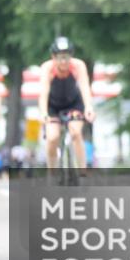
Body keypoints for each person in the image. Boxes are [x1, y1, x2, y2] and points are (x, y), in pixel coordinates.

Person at [40, 37, 95, 172]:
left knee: (76, 132)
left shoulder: (78, 66)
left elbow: (84, 87)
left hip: (73, 104)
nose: (63, 61)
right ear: (53, 57)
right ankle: (51, 173)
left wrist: (89, 107)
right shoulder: (47, 68)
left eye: (66, 57)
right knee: (52, 138)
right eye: (59, 57)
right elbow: (43, 93)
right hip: (52, 106)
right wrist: (43, 114)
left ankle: (82, 172)